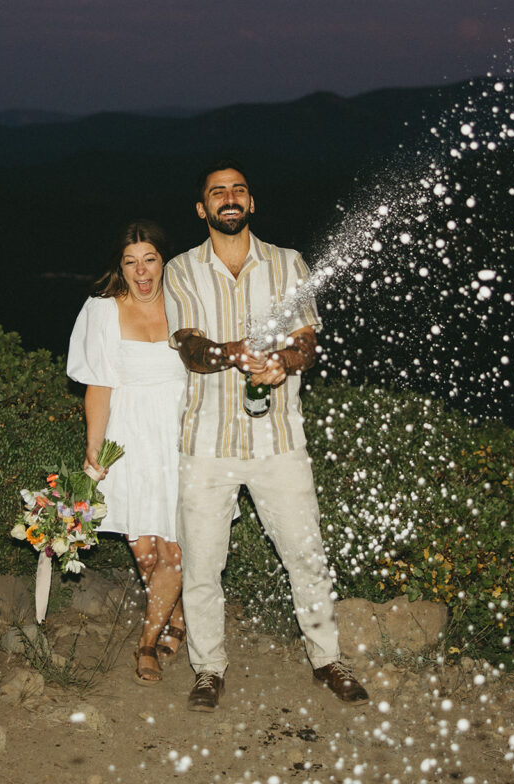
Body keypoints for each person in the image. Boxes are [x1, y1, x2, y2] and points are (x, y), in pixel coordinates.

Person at [163, 161, 369, 711]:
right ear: (202, 209)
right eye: (216, 193)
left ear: (251, 203)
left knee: (307, 555)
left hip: (279, 441)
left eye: (238, 190)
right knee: (203, 564)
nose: (228, 198)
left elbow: (307, 341)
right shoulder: (181, 269)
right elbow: (188, 347)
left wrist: (282, 362)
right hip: (206, 446)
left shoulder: (288, 263)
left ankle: (328, 658)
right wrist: (235, 353)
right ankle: (209, 669)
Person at [67, 219, 187, 685]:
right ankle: (177, 618)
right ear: (120, 266)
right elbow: (99, 384)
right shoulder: (102, 309)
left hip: (179, 437)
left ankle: (146, 643)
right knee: (145, 552)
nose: (141, 272)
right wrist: (93, 448)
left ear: (163, 260)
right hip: (129, 438)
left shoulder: (186, 300)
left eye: (150, 260)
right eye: (131, 262)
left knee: (173, 548)